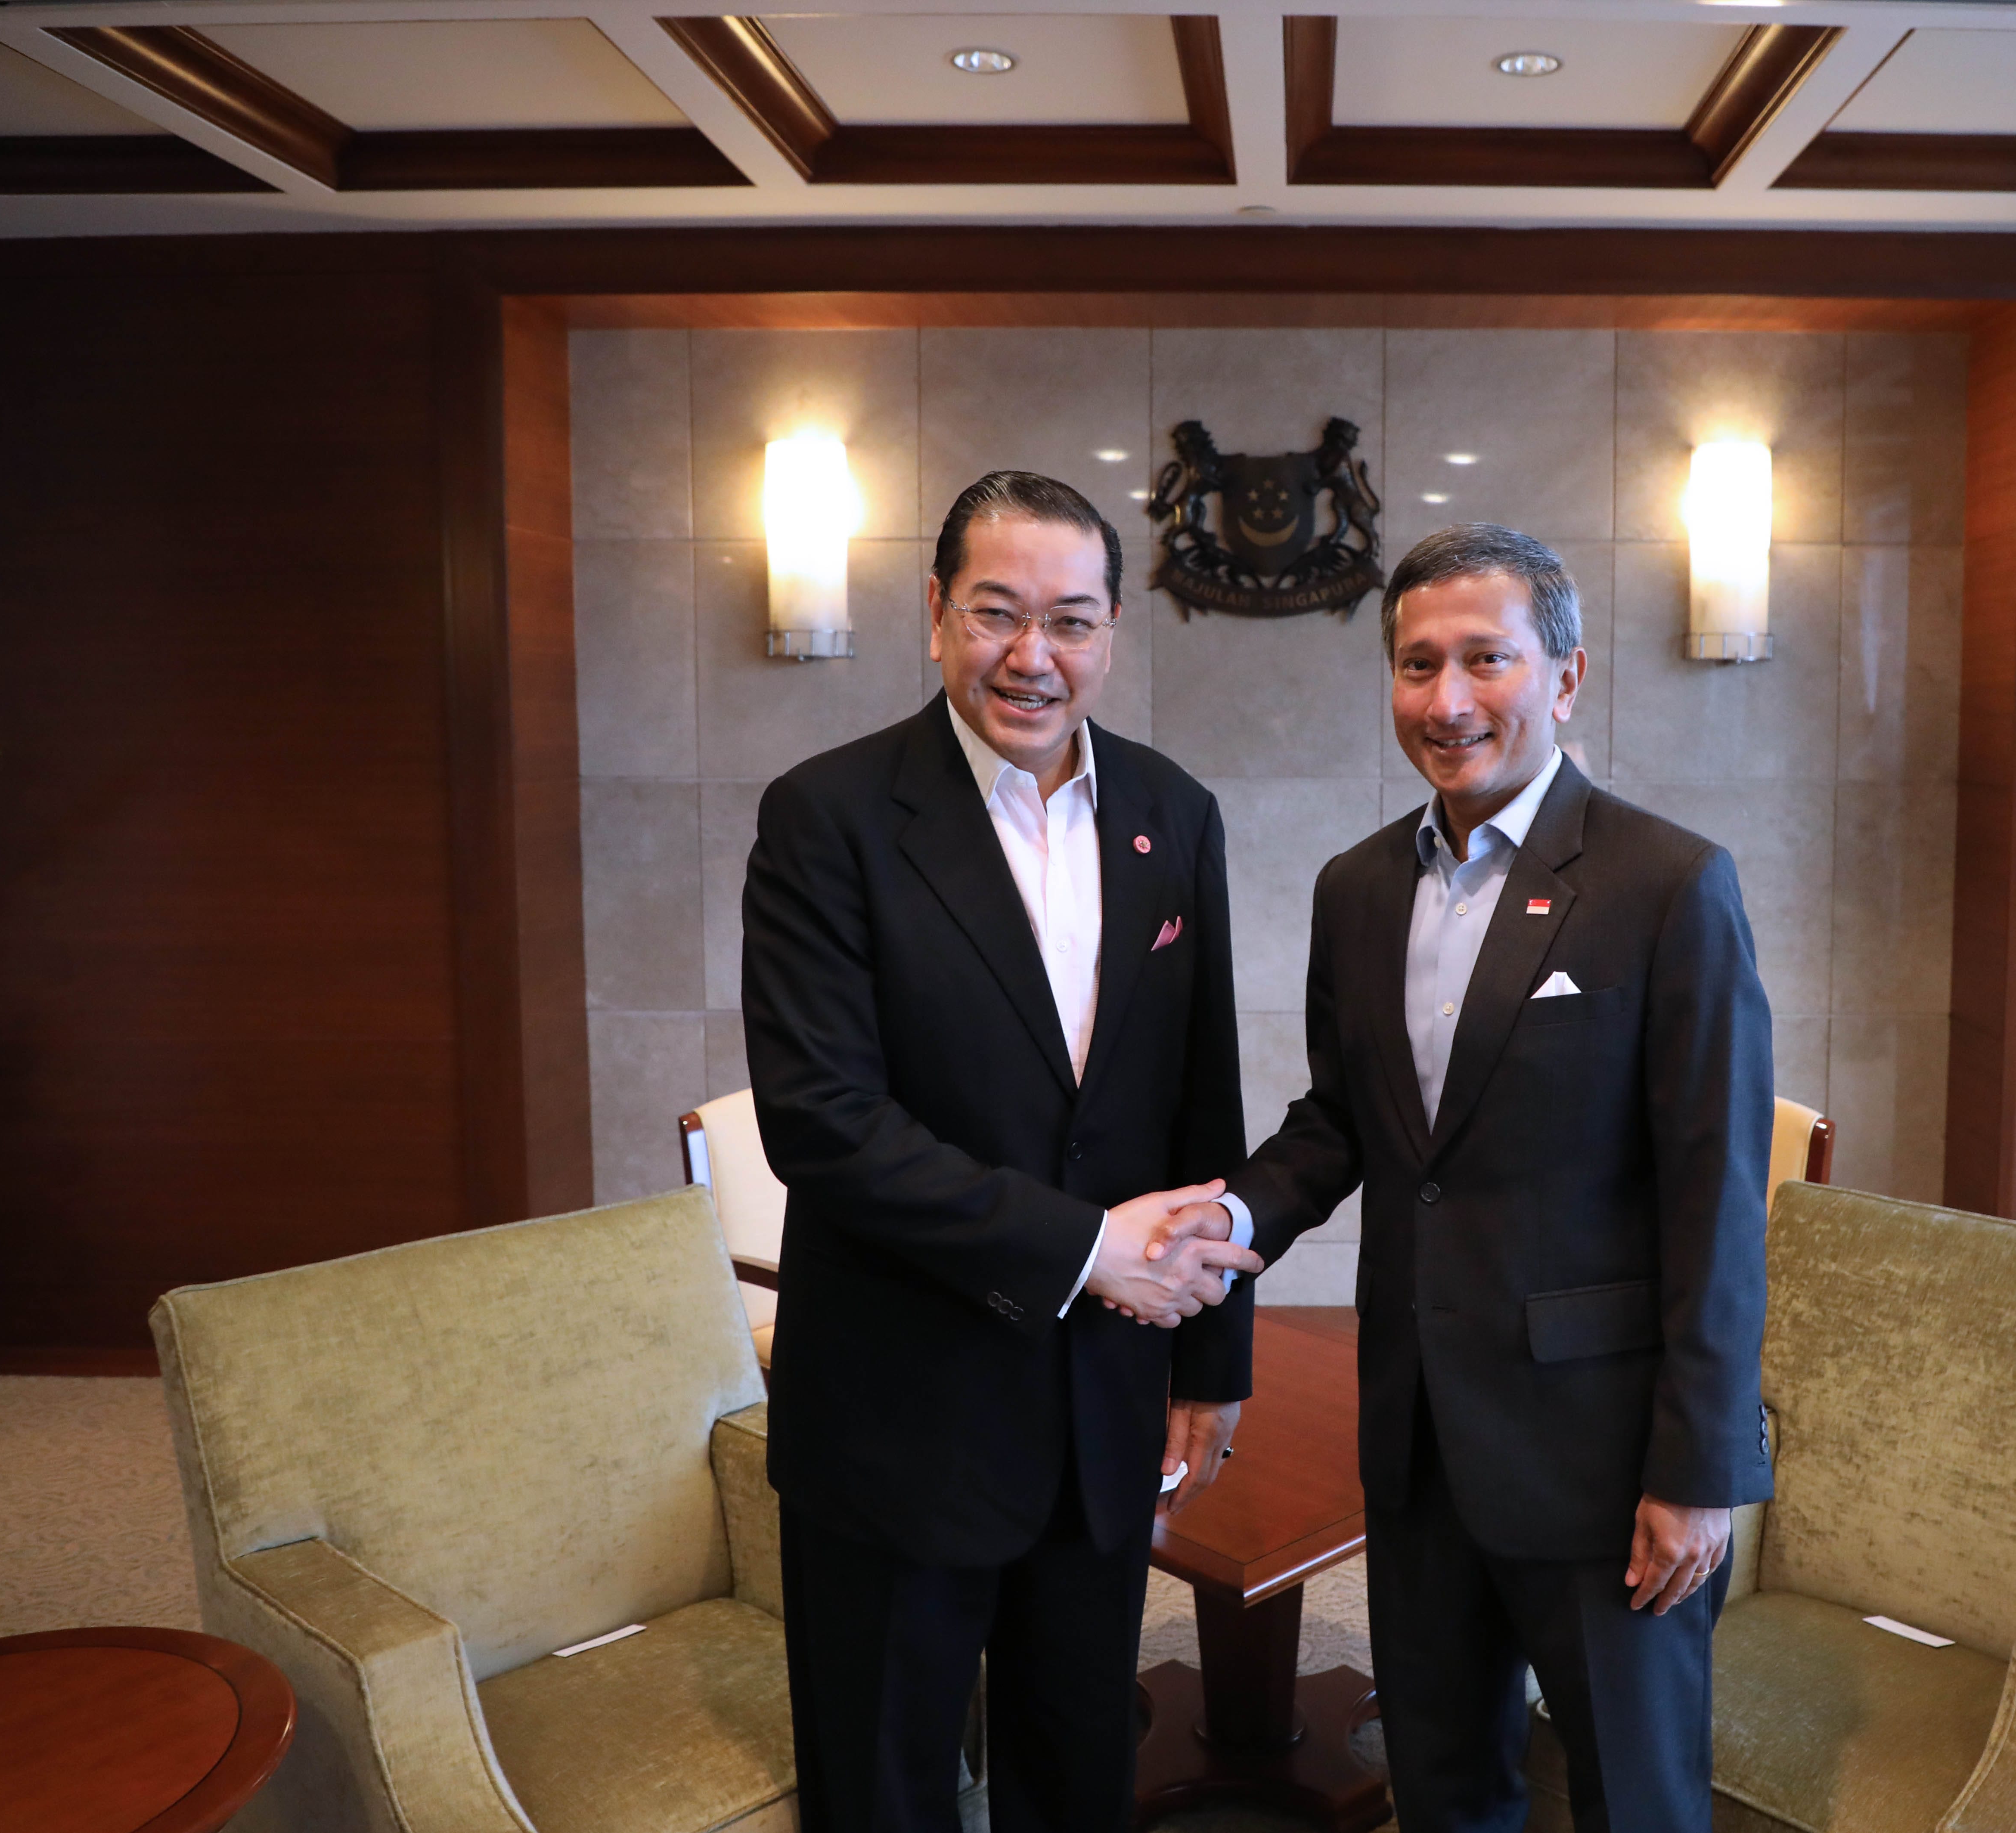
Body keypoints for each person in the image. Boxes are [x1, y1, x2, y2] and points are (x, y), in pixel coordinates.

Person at [1163, 522, 1776, 1832]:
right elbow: (1347, 1121)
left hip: (1603, 1456)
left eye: (1484, 659)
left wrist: (1699, 1469)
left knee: (1634, 1798)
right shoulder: (1359, 888)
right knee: (1441, 1787)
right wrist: (1232, 1213)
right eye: (1416, 664)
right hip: (1421, 1434)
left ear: (1564, 675)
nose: (1447, 701)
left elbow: (1713, 1196)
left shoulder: (1667, 884)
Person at [741, 470, 1262, 1833]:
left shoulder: (1173, 812)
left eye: (1072, 621)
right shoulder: (830, 816)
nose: (1033, 656)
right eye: (996, 613)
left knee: (1077, 1762)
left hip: (1100, 1408)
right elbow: (822, 1120)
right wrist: (1094, 1252)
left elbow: (1200, 1102)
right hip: (897, 1402)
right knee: (885, 1783)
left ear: (1110, 634)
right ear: (934, 614)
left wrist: (1211, 1358)